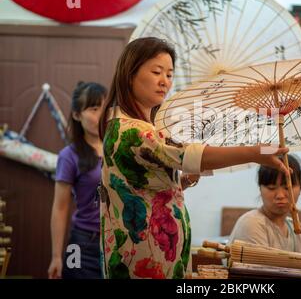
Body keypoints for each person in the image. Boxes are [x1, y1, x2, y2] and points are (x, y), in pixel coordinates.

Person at [98, 37, 290, 279]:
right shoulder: (131, 131)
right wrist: (256, 152)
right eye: (156, 72)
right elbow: (190, 155)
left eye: (169, 74)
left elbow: (143, 189)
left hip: (154, 253)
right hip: (142, 258)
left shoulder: (144, 127)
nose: (164, 82)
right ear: (130, 75)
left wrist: (182, 183)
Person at [48, 82, 107, 279]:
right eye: (93, 108)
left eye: (104, 108)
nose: (100, 115)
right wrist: (56, 257)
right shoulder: (69, 155)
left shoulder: (117, 150)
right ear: (76, 115)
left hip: (117, 242)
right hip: (81, 243)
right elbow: (60, 207)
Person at [228, 154, 301, 253]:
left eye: (287, 187)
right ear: (260, 188)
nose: (280, 195)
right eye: (271, 187)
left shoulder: (295, 228)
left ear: (300, 188)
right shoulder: (252, 223)